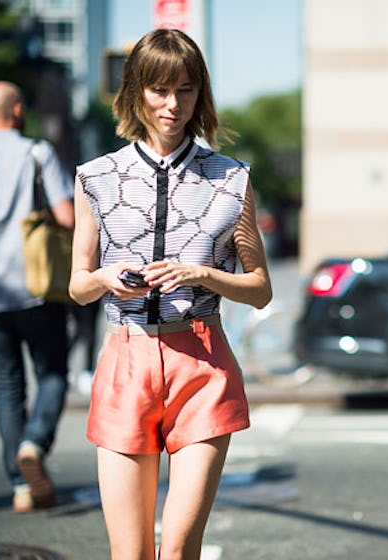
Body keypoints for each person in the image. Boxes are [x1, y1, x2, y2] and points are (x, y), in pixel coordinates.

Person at [69, 28, 272, 559]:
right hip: (125, 361)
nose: (173, 104)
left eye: (185, 90)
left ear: (199, 94)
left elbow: (260, 290)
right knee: (130, 553)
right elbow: (77, 286)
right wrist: (106, 279)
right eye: (160, 90)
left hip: (203, 365)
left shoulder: (232, 180)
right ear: (135, 91)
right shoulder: (96, 177)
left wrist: (200, 274)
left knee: (179, 548)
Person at [0, 81, 74, 512]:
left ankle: (20, 485)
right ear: (19, 110)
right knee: (53, 374)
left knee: (8, 384)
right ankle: (34, 443)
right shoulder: (37, 152)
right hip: (36, 285)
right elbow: (66, 214)